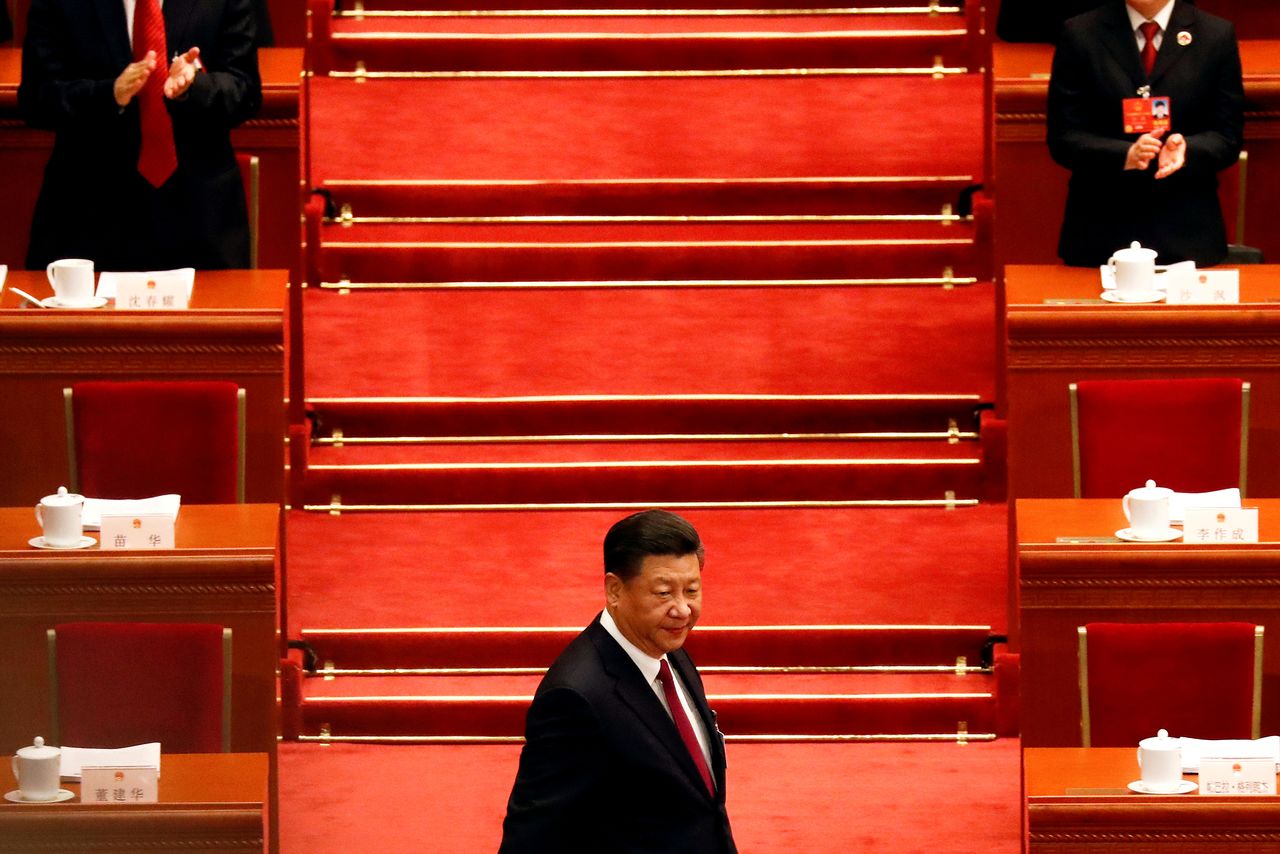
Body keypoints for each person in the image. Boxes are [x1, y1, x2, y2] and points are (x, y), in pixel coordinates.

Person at [500, 509, 737, 853]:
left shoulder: (669, 651)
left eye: (692, 590)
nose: (683, 609)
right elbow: (532, 837)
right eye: (663, 593)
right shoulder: (575, 698)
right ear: (614, 590)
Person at [19, 0, 262, 271]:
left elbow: (246, 90)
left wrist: (195, 87)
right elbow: (36, 99)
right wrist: (109, 94)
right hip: (89, 213)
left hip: (200, 217)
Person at [1046, 0, 1243, 267]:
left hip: (1187, 232)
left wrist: (1187, 149)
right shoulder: (1080, 33)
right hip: (1101, 228)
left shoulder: (1215, 34)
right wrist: (1125, 155)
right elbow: (1063, 137)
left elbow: (1227, 137)